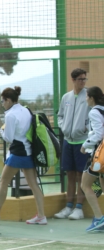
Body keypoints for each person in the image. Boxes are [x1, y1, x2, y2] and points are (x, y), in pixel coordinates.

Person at [0, 86, 46, 225]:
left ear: (9, 100)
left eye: (2, 101)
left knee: (3, 183)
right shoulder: (26, 110)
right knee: (34, 185)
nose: (2, 104)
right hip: (29, 152)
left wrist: (1, 130)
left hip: (17, 154)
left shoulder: (10, 115)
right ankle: (42, 216)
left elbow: (9, 138)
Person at [54, 68, 92, 220]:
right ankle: (68, 207)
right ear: (73, 80)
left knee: (80, 176)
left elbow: (94, 115)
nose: (83, 82)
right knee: (69, 174)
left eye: (85, 79)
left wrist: (85, 128)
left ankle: (79, 208)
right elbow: (60, 116)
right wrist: (63, 126)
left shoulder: (89, 96)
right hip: (68, 142)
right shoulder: (66, 97)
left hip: (83, 142)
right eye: (80, 79)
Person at [80, 86, 104, 232]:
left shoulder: (94, 112)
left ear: (91, 98)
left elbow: (99, 133)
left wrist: (85, 145)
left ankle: (99, 218)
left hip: (98, 154)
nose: (85, 98)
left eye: (87, 96)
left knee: (85, 185)